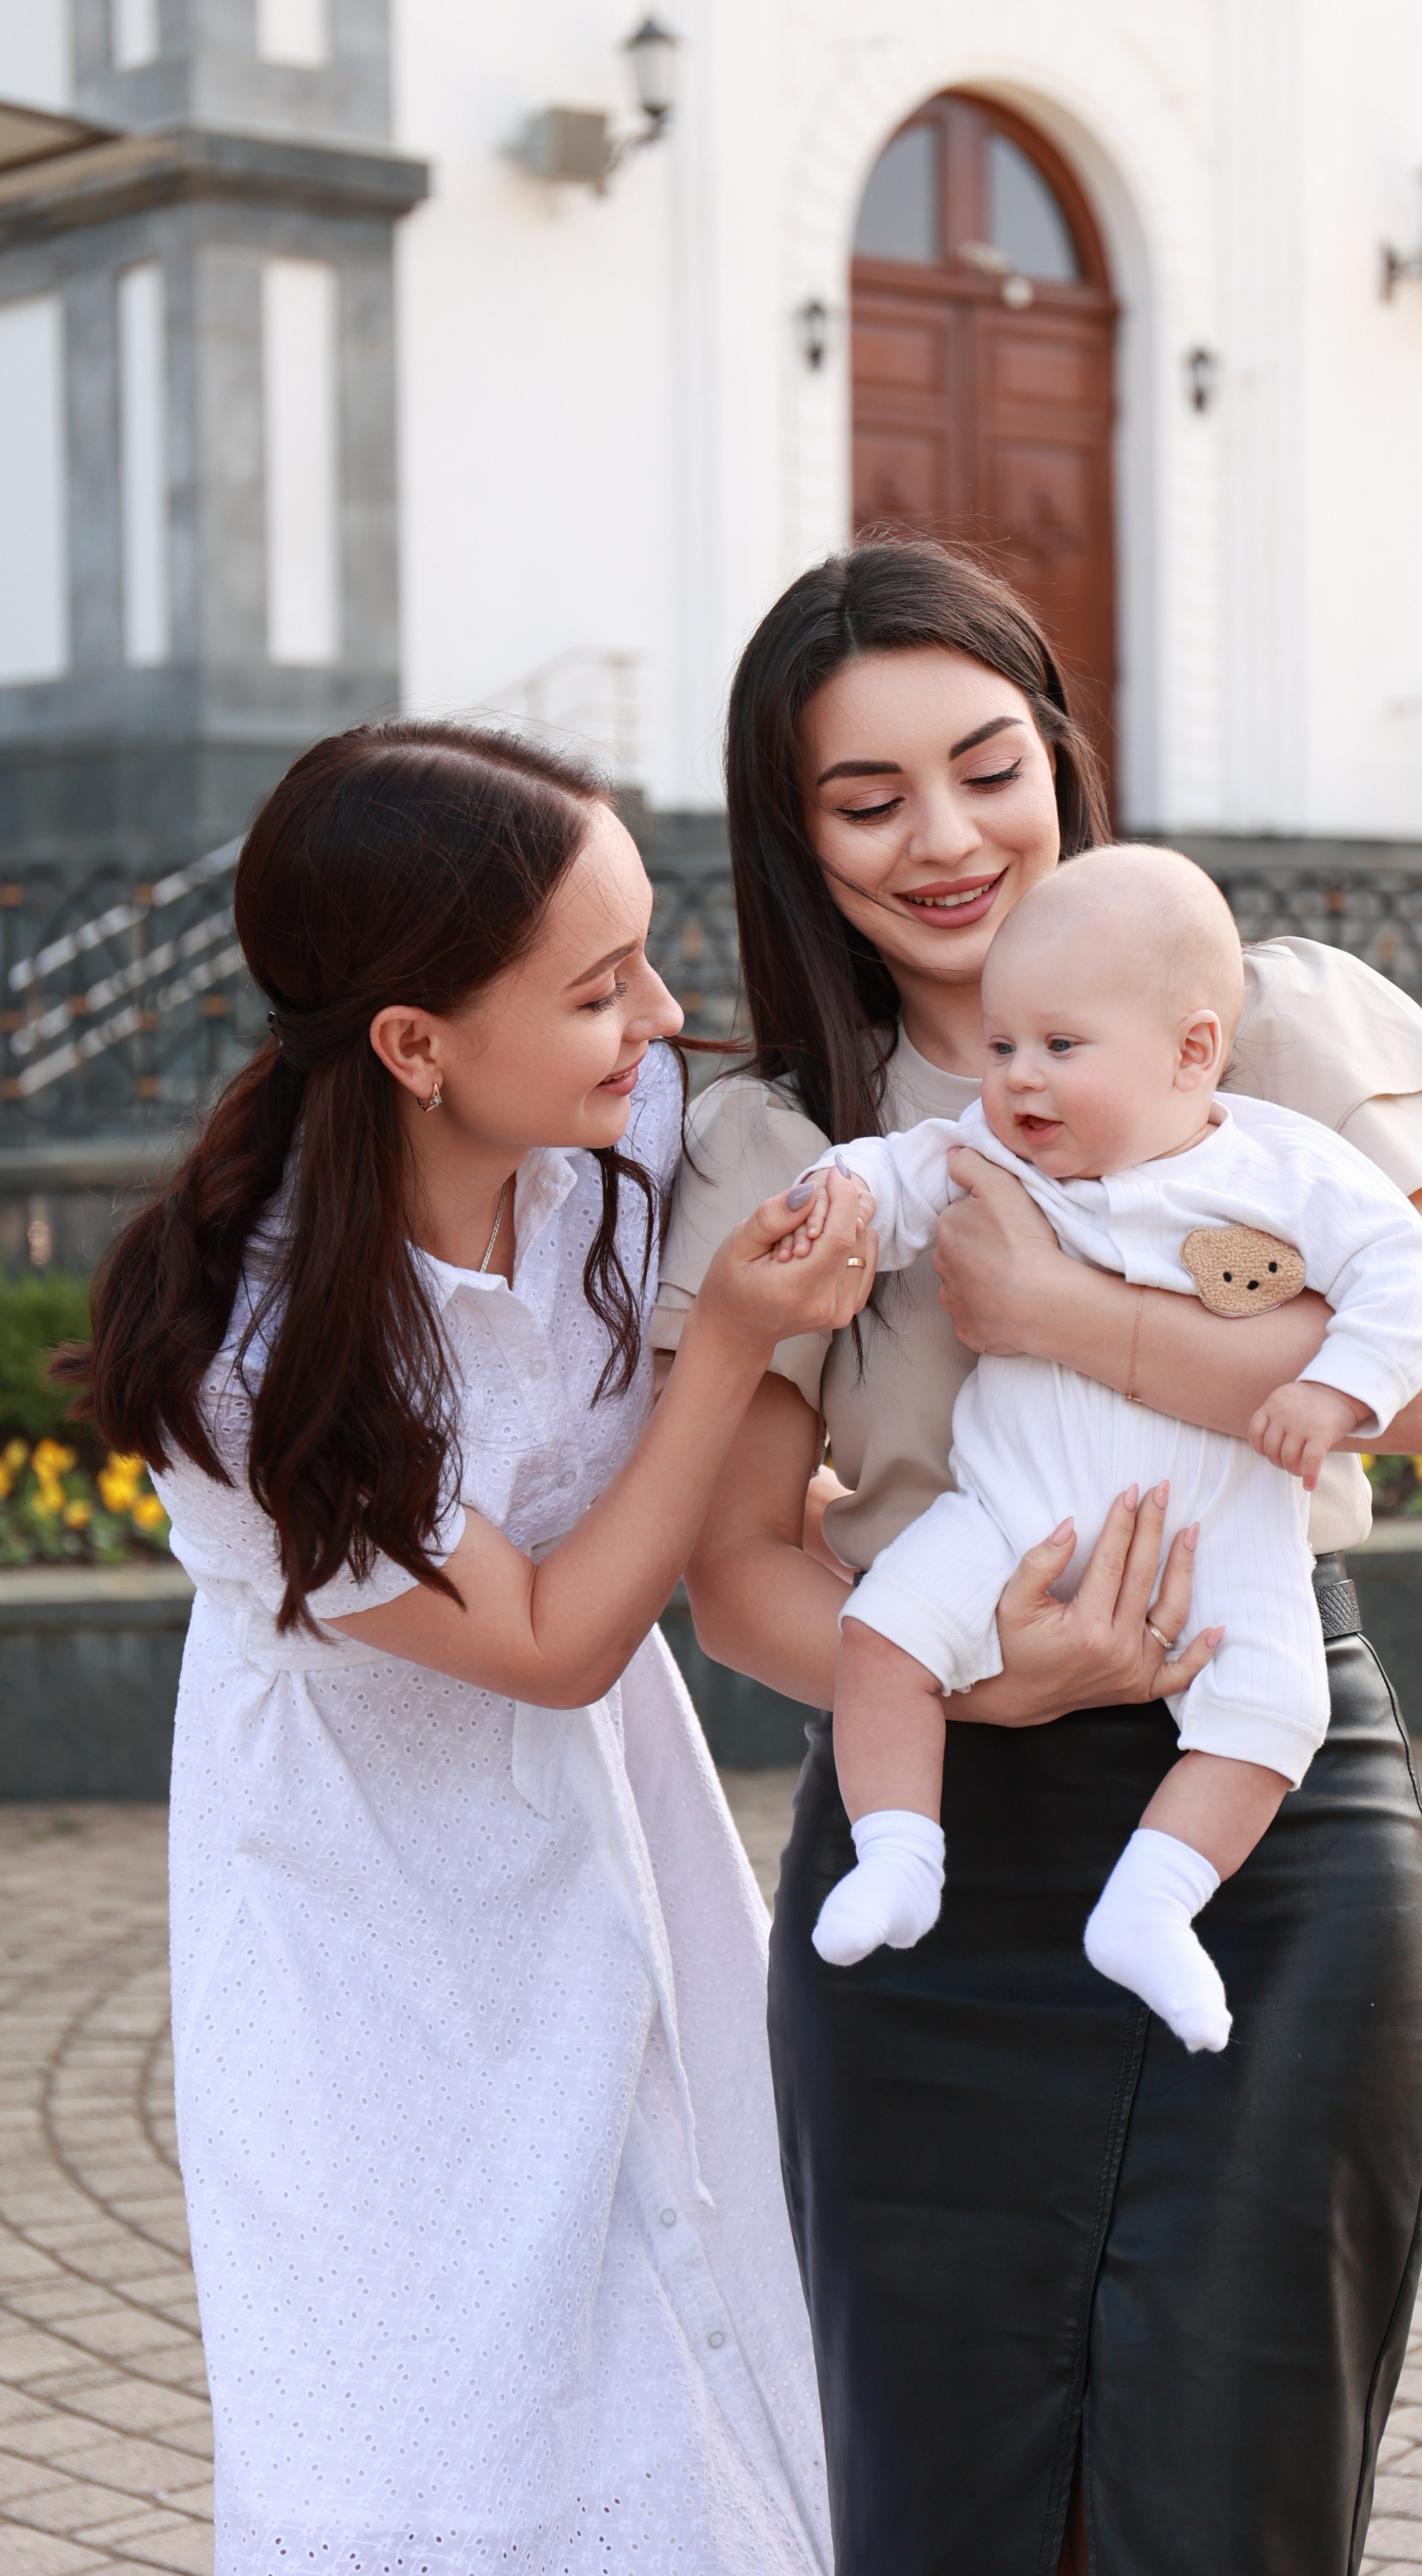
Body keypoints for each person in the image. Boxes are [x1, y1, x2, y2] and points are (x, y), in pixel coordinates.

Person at [651, 541, 1422, 2575]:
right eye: (868, 802)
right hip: (930, 1851)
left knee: (1234, 2495)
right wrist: (979, 1681)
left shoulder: (1260, 1025)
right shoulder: (791, 1146)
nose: (946, 839)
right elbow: (740, 1580)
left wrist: (1063, 1320)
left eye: (985, 766)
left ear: (1060, 753)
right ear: (795, 839)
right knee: (951, 2512)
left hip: (1269, 1834)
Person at [59, 720, 876, 2576]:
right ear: (415, 1046)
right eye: (599, 989)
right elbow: (555, 1637)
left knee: (699, 2310)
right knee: (438, 2399)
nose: (662, 1017)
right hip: (371, 1926)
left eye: (646, 956)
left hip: (612, 1845)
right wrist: (733, 1346)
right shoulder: (247, 1363)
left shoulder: (618, 1145)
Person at [784, 849, 1422, 2048]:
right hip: (1008, 1522)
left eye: (1061, 1048)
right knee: (880, 1635)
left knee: (1276, 1711)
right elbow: (887, 1179)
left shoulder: (1279, 1167)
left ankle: (1154, 1905)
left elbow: (1406, 1280)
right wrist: (832, 1202)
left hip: (1222, 1537)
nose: (1020, 1082)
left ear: (1193, 1052)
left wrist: (1339, 1388)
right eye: (1000, 1050)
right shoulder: (988, 1159)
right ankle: (898, 1850)